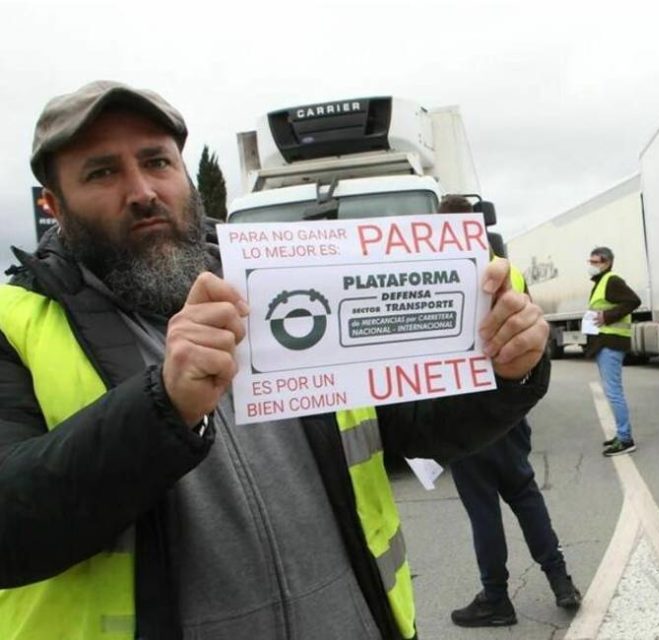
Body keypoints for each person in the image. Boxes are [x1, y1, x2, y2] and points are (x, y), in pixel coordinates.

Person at [0, 81, 551, 640]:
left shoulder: (276, 284)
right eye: (102, 172)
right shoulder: (14, 325)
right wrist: (162, 408)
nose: (142, 191)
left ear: (184, 176)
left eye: (156, 162)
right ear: (53, 204)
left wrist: (508, 373)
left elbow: (411, 427)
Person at [436, 194, 581, 628]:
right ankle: (561, 581)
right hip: (508, 402)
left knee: (483, 508)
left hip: (465, 406)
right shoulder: (506, 266)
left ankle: (496, 598)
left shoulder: (441, 271)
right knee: (523, 491)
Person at [585, 246, 641, 456]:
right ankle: (621, 434)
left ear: (607, 263)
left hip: (611, 343)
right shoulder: (602, 282)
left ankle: (626, 439)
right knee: (612, 390)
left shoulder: (612, 280)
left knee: (613, 392)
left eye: (595, 262)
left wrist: (607, 317)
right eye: (589, 262)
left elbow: (633, 301)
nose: (591, 266)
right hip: (605, 342)